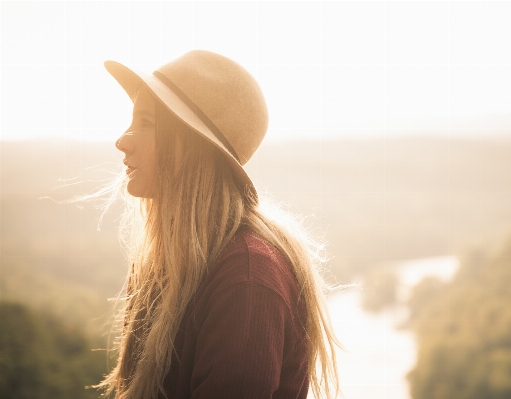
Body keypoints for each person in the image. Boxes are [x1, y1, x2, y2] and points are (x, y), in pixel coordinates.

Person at [94, 50, 340, 399]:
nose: (123, 140)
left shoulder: (247, 277)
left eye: (146, 123)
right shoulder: (164, 262)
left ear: (193, 146)